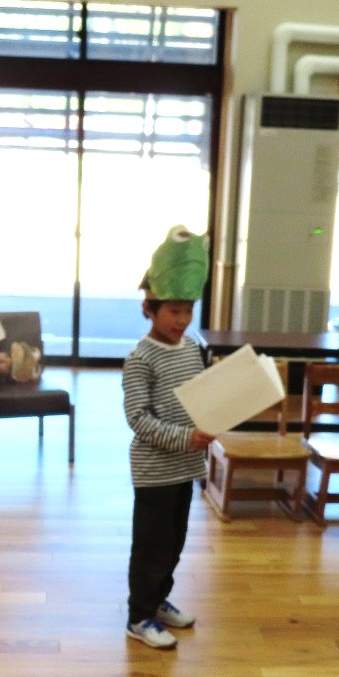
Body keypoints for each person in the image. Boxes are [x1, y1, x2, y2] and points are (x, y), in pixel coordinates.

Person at [122, 226, 214, 649]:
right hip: (154, 469)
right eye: (174, 311)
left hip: (186, 467)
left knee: (174, 542)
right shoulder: (140, 358)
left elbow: (199, 396)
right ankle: (139, 616)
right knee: (151, 546)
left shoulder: (192, 348)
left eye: (188, 310)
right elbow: (138, 419)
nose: (182, 320)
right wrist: (185, 437)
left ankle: (158, 600)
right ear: (149, 308)